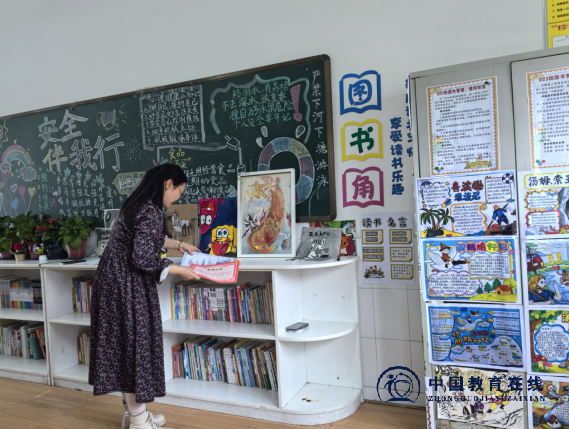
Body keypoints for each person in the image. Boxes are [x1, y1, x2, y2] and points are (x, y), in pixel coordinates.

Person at [89, 163, 201, 429]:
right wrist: (179, 270)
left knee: (124, 350)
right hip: (127, 287)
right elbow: (142, 257)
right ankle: (140, 421)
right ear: (168, 184)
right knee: (134, 350)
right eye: (179, 192)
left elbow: (147, 239)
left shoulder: (135, 204)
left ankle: (135, 415)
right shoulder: (150, 211)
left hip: (111, 283)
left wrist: (180, 244)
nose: (177, 199)